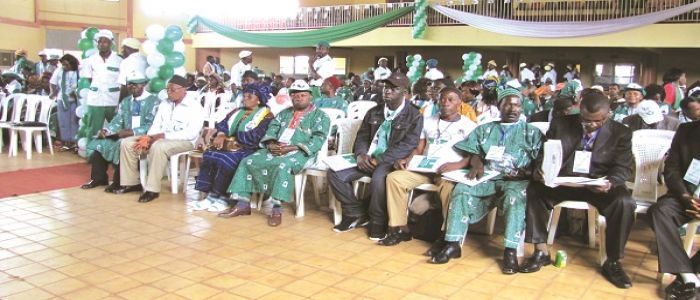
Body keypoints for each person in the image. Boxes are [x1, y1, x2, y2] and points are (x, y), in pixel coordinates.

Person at [521, 93, 635, 289]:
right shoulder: (561, 124)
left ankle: (613, 261)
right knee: (535, 191)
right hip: (563, 182)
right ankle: (541, 251)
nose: (589, 125)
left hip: (598, 184)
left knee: (624, 202)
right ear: (579, 111)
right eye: (585, 120)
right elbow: (544, 154)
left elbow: (623, 168)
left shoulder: (621, 132)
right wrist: (541, 169)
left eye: (596, 121)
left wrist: (610, 182)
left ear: (608, 115)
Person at [429, 87, 542, 275]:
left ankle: (510, 251)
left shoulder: (531, 132)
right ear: (499, 106)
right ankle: (453, 243)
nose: (513, 109)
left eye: (517, 105)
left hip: (516, 180)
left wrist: (528, 172)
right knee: (461, 190)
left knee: (514, 198)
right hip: (487, 177)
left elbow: (540, 159)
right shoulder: (486, 129)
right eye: (508, 104)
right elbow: (473, 150)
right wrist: (477, 163)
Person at [223, 80, 330, 227]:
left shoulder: (321, 116)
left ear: (310, 96)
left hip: (302, 152)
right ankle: (242, 205)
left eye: (303, 95)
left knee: (282, 165)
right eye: (295, 95)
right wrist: (271, 143)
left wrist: (291, 148)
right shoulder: (283, 113)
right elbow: (271, 130)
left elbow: (318, 139)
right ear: (291, 97)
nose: (298, 98)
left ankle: (276, 209)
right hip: (276, 148)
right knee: (248, 161)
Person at [329, 72, 423, 239]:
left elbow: (408, 144)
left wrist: (379, 159)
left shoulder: (414, 115)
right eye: (386, 87)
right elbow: (363, 136)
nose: (387, 91)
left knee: (380, 178)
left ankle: (377, 221)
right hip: (367, 158)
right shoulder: (374, 111)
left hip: (389, 161)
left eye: (394, 88)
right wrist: (361, 155)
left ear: (405, 92)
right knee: (334, 172)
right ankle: (355, 213)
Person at [380, 87, 477, 246]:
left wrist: (457, 165)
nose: (445, 103)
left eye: (451, 100)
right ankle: (400, 228)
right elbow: (419, 147)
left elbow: (472, 156)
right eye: (442, 99)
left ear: (460, 102)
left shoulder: (469, 126)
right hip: (425, 169)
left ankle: (447, 236)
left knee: (450, 190)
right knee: (394, 178)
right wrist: (408, 159)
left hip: (449, 172)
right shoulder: (428, 120)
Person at [115, 75, 204, 203]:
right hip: (159, 138)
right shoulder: (165, 104)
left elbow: (191, 133)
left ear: (183, 89)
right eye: (167, 89)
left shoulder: (194, 107)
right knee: (127, 143)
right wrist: (149, 137)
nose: (168, 92)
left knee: (159, 146)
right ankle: (131, 183)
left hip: (184, 142)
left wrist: (162, 136)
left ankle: (152, 189)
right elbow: (156, 124)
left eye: (172, 90)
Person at [192, 82, 274, 212]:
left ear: (259, 100)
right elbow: (222, 124)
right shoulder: (237, 111)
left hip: (250, 149)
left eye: (249, 96)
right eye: (244, 96)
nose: (245, 98)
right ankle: (211, 196)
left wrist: (232, 137)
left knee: (226, 159)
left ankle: (224, 197)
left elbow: (256, 137)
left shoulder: (266, 116)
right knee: (210, 154)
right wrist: (221, 134)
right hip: (231, 146)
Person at [82, 71, 160, 192]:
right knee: (101, 142)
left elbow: (152, 124)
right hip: (124, 134)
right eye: (129, 84)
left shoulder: (154, 101)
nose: (132, 86)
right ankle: (99, 178)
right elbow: (117, 120)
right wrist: (107, 130)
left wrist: (131, 132)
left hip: (144, 137)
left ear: (144, 84)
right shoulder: (126, 101)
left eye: (136, 84)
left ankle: (119, 182)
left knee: (121, 145)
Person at [648, 120, 700, 300]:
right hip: (686, 196)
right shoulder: (687, 130)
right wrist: (686, 198)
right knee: (659, 211)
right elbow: (671, 169)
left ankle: (685, 277)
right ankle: (689, 277)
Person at [81, 30, 123, 143]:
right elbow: (90, 79)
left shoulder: (119, 60)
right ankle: (92, 153)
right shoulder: (91, 60)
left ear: (111, 43)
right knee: (93, 129)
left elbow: (122, 80)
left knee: (115, 129)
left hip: (113, 100)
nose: (102, 44)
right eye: (100, 42)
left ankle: (114, 155)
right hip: (96, 100)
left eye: (105, 42)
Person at [49, 54, 80, 150]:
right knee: (63, 121)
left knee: (74, 121)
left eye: (66, 65)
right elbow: (53, 83)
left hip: (75, 99)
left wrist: (75, 92)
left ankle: (74, 141)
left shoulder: (78, 72)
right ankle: (66, 142)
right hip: (61, 99)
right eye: (63, 64)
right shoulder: (58, 71)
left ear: (72, 63)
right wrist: (54, 92)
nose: (64, 67)